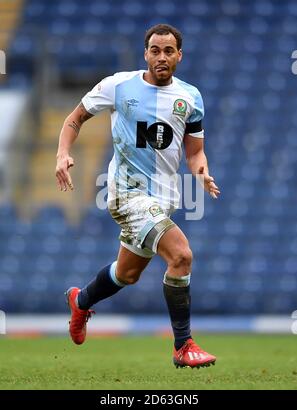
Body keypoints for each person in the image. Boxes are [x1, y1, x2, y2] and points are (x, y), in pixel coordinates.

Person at [55, 24, 220, 369]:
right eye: (155, 50)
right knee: (181, 256)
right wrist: (62, 154)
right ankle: (183, 345)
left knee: (127, 274)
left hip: (163, 198)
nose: (161, 57)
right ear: (145, 53)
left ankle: (81, 300)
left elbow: (194, 152)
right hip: (125, 194)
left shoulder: (190, 97)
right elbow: (74, 119)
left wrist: (201, 170)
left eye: (168, 51)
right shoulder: (118, 85)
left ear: (179, 56)